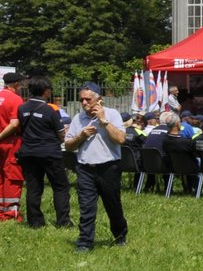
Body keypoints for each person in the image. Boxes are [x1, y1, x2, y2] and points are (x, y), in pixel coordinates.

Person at [0, 77, 70, 228]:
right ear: (46, 92)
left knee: (33, 187)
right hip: (50, 153)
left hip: (28, 152)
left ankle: (35, 221)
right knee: (60, 186)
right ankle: (63, 221)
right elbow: (61, 134)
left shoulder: (22, 108)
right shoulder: (50, 109)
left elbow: (20, 127)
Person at [65, 82, 128, 251]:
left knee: (113, 205)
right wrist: (81, 136)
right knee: (86, 208)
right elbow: (69, 146)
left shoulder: (112, 114)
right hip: (85, 168)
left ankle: (120, 235)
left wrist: (103, 121)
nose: (84, 103)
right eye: (81, 100)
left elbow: (121, 139)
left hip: (109, 168)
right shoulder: (78, 118)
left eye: (88, 99)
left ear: (99, 99)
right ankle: (85, 242)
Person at [0, 71, 23, 222]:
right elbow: (14, 123)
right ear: (15, 84)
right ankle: (10, 214)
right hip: (10, 142)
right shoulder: (15, 99)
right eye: (20, 84)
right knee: (12, 177)